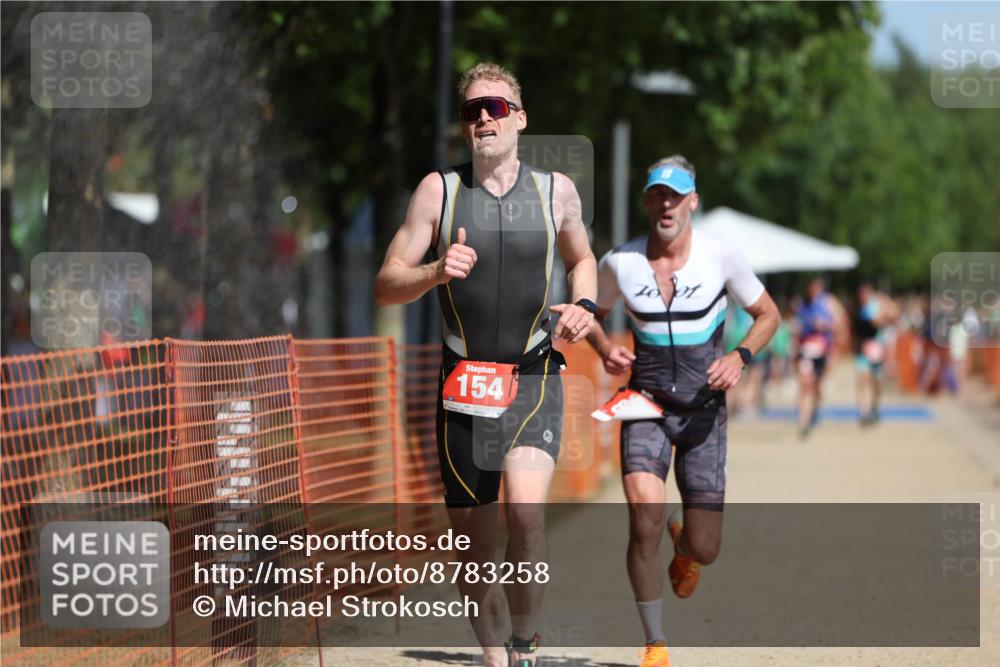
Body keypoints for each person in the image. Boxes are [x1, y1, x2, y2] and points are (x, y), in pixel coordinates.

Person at [374, 62, 598, 667]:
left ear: (519, 119)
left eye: (495, 108)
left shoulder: (556, 192)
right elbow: (387, 283)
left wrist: (583, 306)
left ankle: (524, 644)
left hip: (532, 371)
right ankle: (497, 658)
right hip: (463, 382)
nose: (483, 119)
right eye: (472, 110)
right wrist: (432, 271)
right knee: (474, 547)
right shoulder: (438, 191)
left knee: (525, 515)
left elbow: (582, 259)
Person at [585, 156, 779, 667]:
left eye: (676, 195)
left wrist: (740, 356)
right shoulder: (619, 263)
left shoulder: (722, 257)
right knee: (641, 520)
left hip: (703, 413)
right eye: (657, 195)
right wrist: (605, 348)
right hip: (644, 404)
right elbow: (592, 316)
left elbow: (768, 314)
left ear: (693, 201)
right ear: (648, 201)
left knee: (707, 547)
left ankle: (686, 541)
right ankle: (655, 643)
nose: (666, 204)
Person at [795, 277, 846, 439]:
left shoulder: (829, 302)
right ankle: (804, 420)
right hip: (805, 350)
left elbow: (841, 325)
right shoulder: (801, 304)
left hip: (822, 350)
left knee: (816, 385)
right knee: (806, 383)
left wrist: (825, 325)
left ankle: (814, 410)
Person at [853, 284, 899, 426]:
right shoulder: (861, 310)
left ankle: (874, 407)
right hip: (864, 350)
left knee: (876, 383)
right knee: (863, 380)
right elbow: (871, 323)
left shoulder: (878, 306)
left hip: (878, 350)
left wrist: (884, 303)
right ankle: (864, 412)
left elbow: (894, 314)